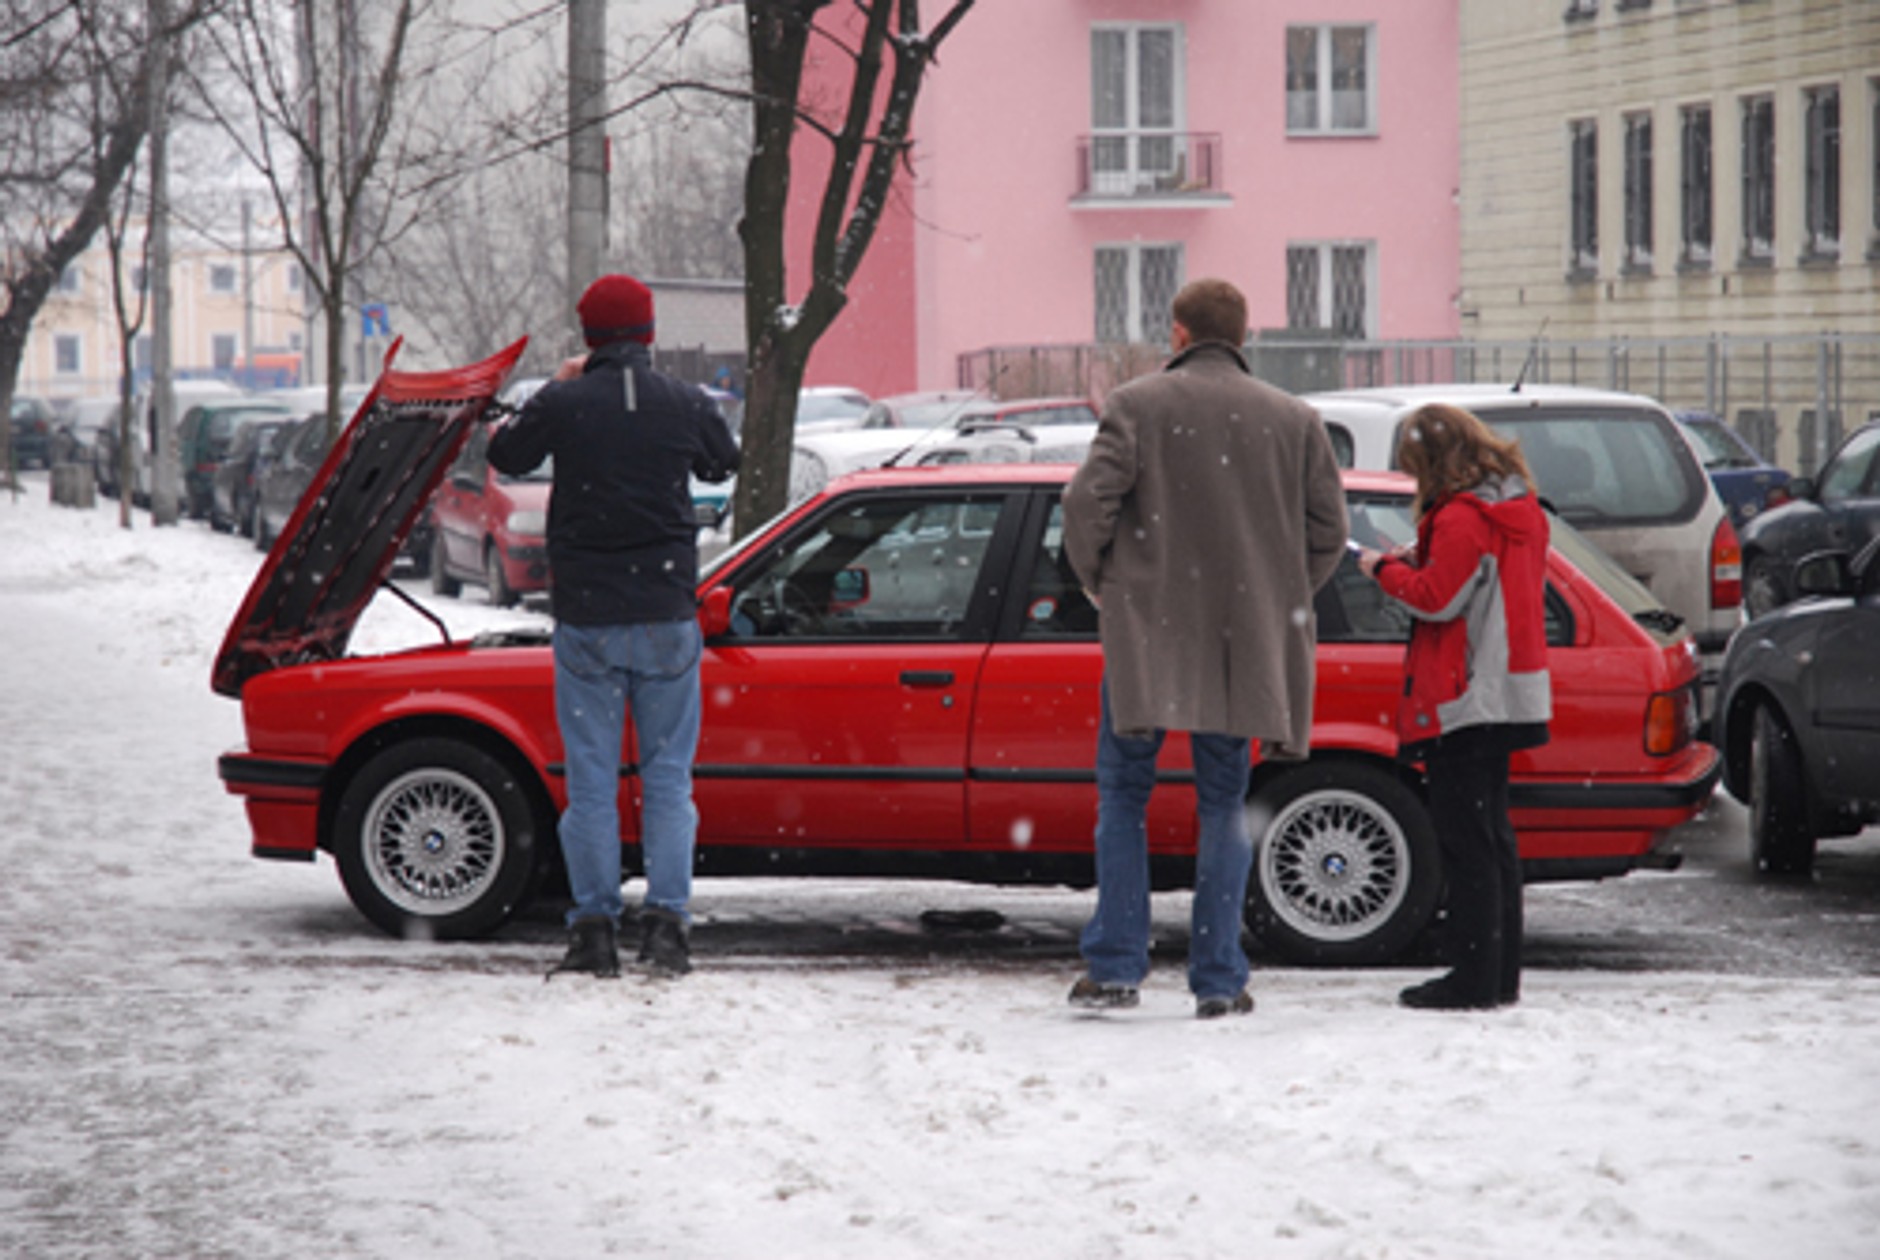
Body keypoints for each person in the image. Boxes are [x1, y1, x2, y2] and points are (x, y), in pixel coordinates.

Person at [1061, 277, 1348, 1019]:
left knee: (1123, 795)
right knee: (1225, 804)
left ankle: (1118, 965)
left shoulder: (1137, 405)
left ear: (1180, 335)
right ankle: (1219, 977)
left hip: (1147, 633)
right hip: (1245, 640)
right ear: (1244, 338)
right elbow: (1328, 536)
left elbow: (1085, 504)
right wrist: (1276, 595)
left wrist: (1105, 584)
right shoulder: (1295, 419)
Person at [489, 273, 740, 980]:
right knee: (668, 780)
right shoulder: (684, 401)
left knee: (592, 781)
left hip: (589, 618)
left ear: (589, 337)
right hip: (664, 612)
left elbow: (507, 455)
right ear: (650, 333)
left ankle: (593, 932)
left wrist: (559, 388)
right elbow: (725, 459)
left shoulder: (567, 403)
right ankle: (667, 929)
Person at [1355, 403, 1551, 1011]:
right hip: (1507, 687)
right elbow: (1479, 587)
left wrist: (1383, 567)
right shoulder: (1516, 509)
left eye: (1416, 468)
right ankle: (1498, 974)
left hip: (1465, 694)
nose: (1415, 481)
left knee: (1466, 842)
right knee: (1493, 838)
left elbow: (1438, 600)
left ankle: (1470, 978)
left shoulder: (1463, 516)